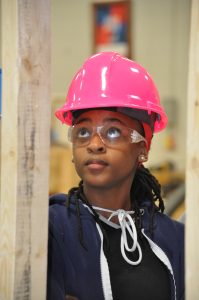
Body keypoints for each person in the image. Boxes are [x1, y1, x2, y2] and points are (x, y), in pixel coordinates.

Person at [47, 52, 184, 300]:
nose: (94, 144)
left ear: (143, 148)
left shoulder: (175, 239)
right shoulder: (50, 230)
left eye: (112, 132)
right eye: (83, 132)